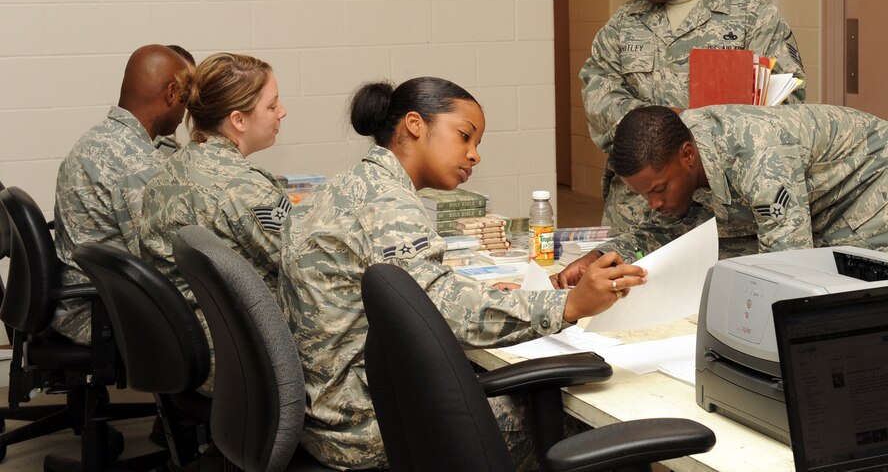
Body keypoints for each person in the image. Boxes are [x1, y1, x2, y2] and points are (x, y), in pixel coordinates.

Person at [277, 77, 647, 470]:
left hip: (330, 409)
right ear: (415, 125)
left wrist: (494, 295)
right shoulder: (388, 202)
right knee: (594, 423)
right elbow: (443, 312)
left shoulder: (348, 186)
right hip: (367, 426)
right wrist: (568, 304)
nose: (474, 155)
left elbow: (415, 290)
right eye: (465, 136)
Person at [579, 0, 806, 249]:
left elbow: (785, 109)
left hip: (722, 221)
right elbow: (598, 97)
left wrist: (704, 130)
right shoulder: (625, 22)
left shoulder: (752, 15)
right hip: (635, 215)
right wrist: (661, 125)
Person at [559, 104, 888, 277]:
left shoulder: (760, 159)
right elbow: (662, 232)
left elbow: (789, 265)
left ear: (688, 155)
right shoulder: (672, 152)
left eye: (658, 190)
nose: (654, 203)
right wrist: (599, 258)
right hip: (817, 196)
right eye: (645, 195)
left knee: (843, 280)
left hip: (871, 181)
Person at [52, 44, 189, 345]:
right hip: (100, 314)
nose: (185, 111)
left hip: (80, 303)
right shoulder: (136, 164)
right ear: (171, 94)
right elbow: (166, 262)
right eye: (185, 98)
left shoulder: (98, 138)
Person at [140, 52, 289, 295]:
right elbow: (305, 263)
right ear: (239, 120)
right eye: (272, 106)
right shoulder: (243, 187)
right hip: (245, 317)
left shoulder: (170, 167)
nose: (282, 112)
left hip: (194, 315)